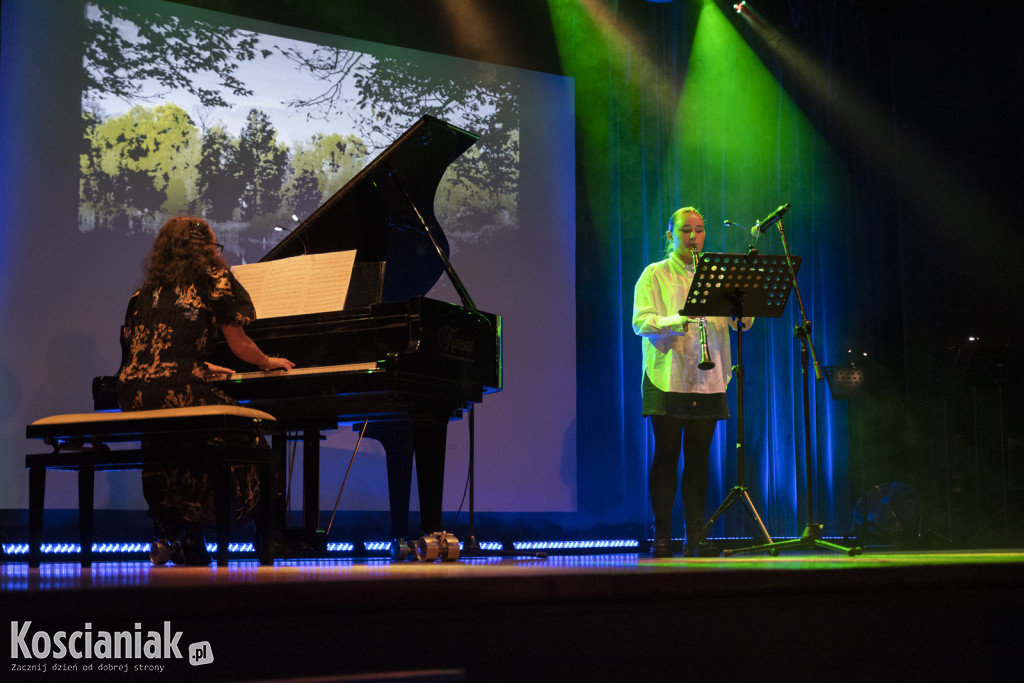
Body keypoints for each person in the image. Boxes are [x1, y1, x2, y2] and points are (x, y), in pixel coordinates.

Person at [117, 216, 294, 565]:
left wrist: (195, 364)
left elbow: (150, 351)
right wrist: (265, 361)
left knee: (173, 444)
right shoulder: (214, 281)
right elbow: (239, 343)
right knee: (255, 439)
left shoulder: (144, 292)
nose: (217, 253)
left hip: (134, 390)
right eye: (214, 246)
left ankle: (186, 538)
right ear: (204, 249)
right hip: (180, 388)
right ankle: (267, 536)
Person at [632, 206, 752, 558]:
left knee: (699, 458)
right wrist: (680, 318)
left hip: (709, 376)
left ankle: (694, 535)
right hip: (666, 374)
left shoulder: (717, 276)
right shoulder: (654, 274)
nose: (693, 237)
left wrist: (742, 307)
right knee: (667, 454)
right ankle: (663, 535)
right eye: (686, 230)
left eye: (699, 230)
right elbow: (641, 322)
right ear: (670, 235)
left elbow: (742, 324)